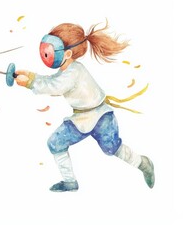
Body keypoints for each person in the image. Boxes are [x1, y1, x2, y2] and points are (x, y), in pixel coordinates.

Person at [15, 21, 155, 192]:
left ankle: (143, 163)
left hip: (101, 117)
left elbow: (55, 86)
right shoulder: (68, 70)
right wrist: (31, 77)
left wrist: (30, 83)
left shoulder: (73, 71)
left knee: (112, 149)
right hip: (83, 118)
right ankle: (69, 182)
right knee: (55, 143)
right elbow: (53, 81)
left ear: (66, 54)